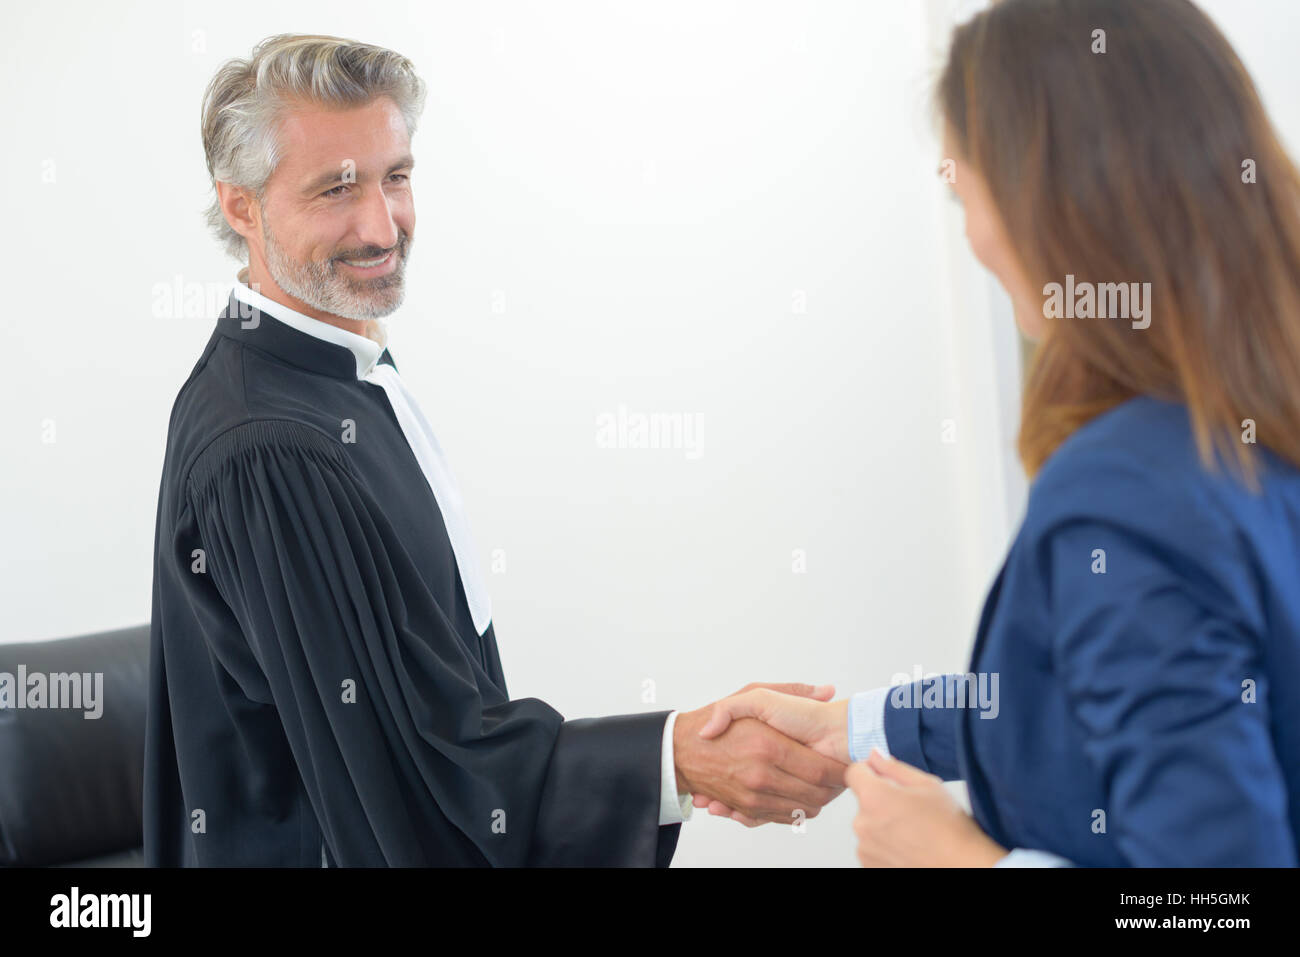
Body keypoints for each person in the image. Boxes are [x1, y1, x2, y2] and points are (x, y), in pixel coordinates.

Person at [144, 33, 846, 866]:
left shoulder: (340, 366)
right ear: (241, 207)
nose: (381, 225)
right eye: (336, 188)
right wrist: (675, 758)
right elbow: (406, 777)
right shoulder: (270, 450)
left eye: (395, 176)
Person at [695, 0, 1300, 867]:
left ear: (1052, 201)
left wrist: (961, 861)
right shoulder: (1248, 424)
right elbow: (1073, 701)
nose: (974, 234)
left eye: (962, 189)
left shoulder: (1122, 493)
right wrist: (853, 726)